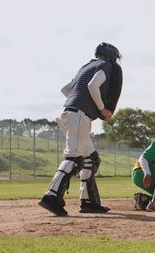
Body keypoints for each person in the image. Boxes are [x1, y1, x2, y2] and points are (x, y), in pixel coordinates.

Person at [38, 42, 123, 216]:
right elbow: (93, 86)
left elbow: (66, 89)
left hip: (71, 114)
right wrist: (101, 108)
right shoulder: (105, 66)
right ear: (112, 56)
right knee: (74, 158)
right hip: (79, 116)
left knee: (91, 159)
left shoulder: (86, 66)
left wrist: (78, 100)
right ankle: (51, 197)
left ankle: (89, 202)